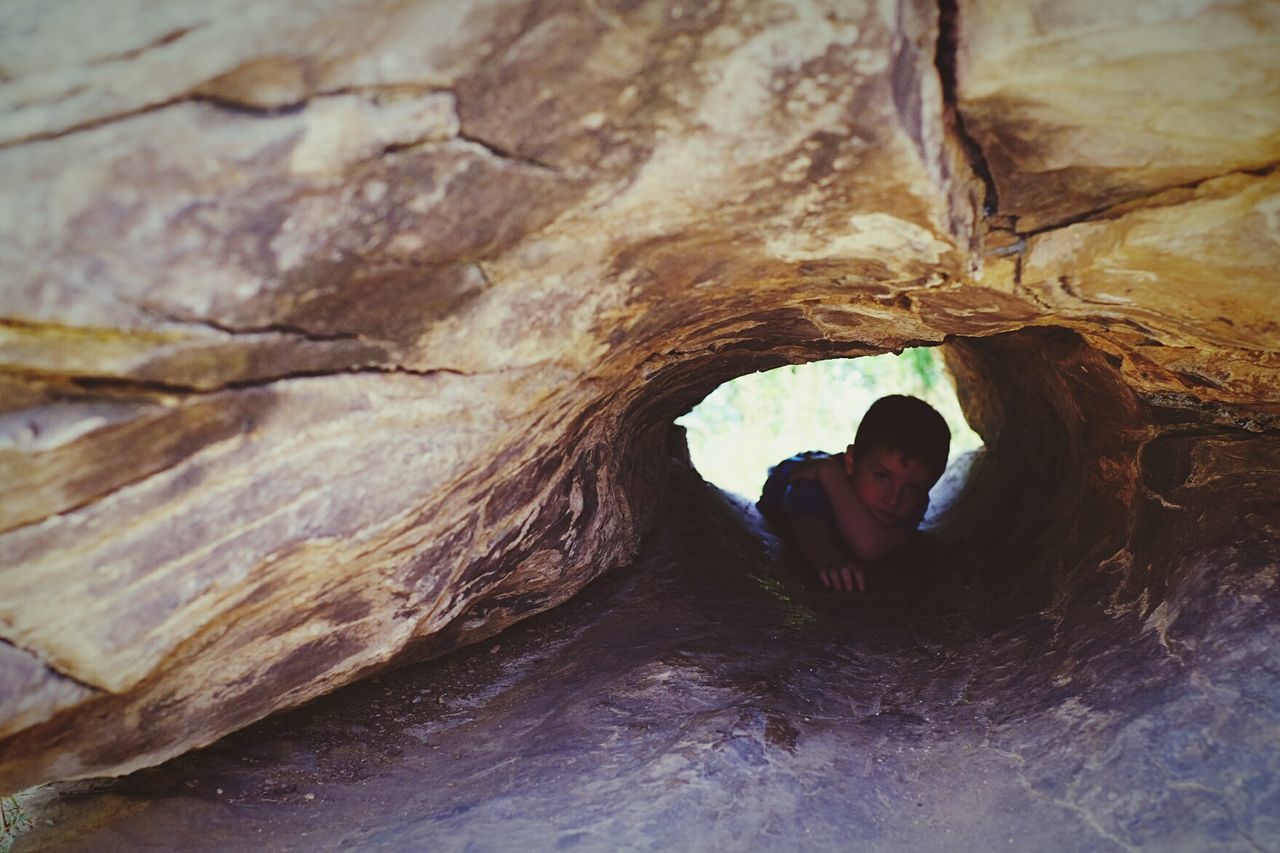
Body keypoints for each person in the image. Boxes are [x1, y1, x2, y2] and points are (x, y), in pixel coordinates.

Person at [757, 395, 950, 594]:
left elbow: (875, 545)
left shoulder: (916, 499)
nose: (893, 500)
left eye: (911, 488)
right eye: (882, 477)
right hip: (792, 477)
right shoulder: (811, 486)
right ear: (851, 462)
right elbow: (809, 528)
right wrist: (828, 558)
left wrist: (827, 471)